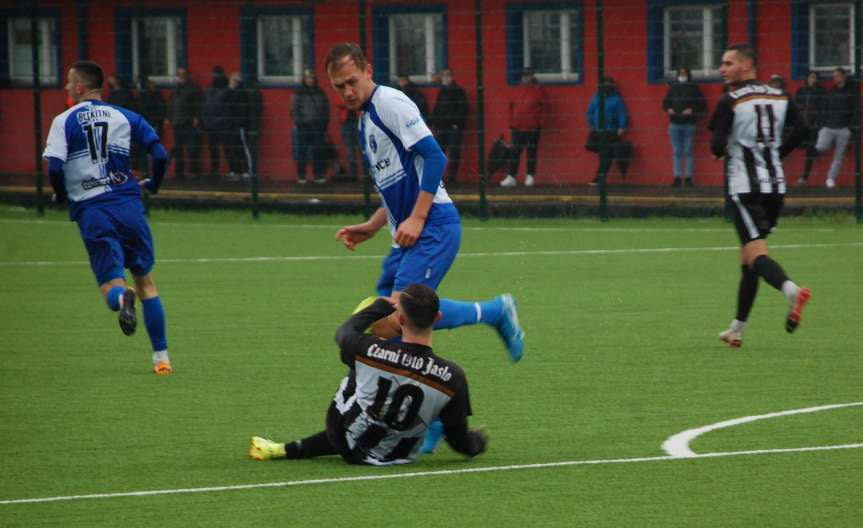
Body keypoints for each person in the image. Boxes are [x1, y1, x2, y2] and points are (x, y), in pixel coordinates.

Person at [324, 42, 524, 451]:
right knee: (389, 325)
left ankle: (494, 314)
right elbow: (396, 184)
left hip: (432, 227)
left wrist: (416, 218)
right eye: (337, 86)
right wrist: (373, 225)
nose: (346, 92)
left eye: (351, 81)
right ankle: (431, 415)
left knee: (398, 317)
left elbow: (435, 159)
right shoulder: (365, 122)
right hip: (407, 235)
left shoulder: (391, 103)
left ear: (367, 69)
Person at [249, 286, 488, 465]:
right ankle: (289, 449)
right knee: (384, 374)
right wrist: (476, 443)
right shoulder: (453, 375)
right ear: (438, 318)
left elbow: (344, 332)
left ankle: (288, 449)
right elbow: (458, 440)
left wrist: (378, 308)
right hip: (397, 457)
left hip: (346, 441)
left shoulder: (371, 350)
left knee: (359, 362)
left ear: (401, 319)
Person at [42, 60, 172, 375]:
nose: (66, 87)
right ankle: (161, 358)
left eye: (68, 82)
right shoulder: (125, 116)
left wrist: (60, 195)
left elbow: (55, 166)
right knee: (146, 281)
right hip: (128, 204)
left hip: (92, 208)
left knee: (110, 285)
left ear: (80, 87)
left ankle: (121, 297)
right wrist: (153, 184)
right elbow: (161, 154)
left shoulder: (64, 120)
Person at [707, 44, 811, 348]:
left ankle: (791, 290)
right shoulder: (780, 95)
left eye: (728, 63)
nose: (722, 69)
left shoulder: (730, 101)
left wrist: (722, 148)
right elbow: (803, 128)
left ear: (747, 66)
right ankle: (737, 328)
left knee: (756, 254)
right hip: (775, 187)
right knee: (749, 258)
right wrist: (778, 152)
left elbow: (715, 145)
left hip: (745, 187)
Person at [804, 67, 856, 188]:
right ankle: (814, 151)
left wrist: (851, 128)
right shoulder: (831, 93)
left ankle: (830, 178)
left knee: (839, 155)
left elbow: (855, 111)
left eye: (837, 75)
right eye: (834, 75)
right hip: (828, 127)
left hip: (844, 128)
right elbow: (823, 110)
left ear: (843, 76)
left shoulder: (851, 92)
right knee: (821, 146)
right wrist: (822, 125)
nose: (835, 78)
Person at [501, 70, 549, 187]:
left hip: (533, 127)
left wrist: (539, 123)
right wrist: (511, 122)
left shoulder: (539, 91)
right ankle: (511, 177)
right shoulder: (517, 90)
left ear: (532, 76)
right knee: (515, 152)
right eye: (524, 76)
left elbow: (546, 108)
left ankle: (530, 176)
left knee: (531, 152)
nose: (525, 78)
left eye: (528, 76)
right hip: (518, 127)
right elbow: (510, 107)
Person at [663, 67, 706, 187]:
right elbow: (665, 103)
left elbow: (702, 104)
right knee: (676, 151)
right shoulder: (673, 88)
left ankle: (688, 178)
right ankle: (677, 177)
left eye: (684, 73)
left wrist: (692, 110)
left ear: (688, 74)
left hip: (689, 123)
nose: (682, 75)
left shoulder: (694, 88)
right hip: (674, 123)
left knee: (688, 151)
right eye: (680, 73)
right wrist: (669, 109)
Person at [586, 76, 629, 185]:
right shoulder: (596, 97)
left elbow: (622, 114)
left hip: (610, 131)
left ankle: (599, 179)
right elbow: (590, 112)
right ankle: (600, 178)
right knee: (604, 153)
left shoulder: (616, 99)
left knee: (604, 155)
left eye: (608, 85)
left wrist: (621, 127)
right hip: (598, 130)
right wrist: (591, 124)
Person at [290, 69, 330, 184]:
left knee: (318, 152)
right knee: (302, 151)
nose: (310, 80)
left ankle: (317, 175)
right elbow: (294, 109)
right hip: (304, 127)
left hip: (318, 127)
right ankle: (301, 176)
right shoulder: (298, 92)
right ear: (304, 79)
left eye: (312, 78)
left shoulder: (320, 92)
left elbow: (326, 109)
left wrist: (324, 123)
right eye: (308, 78)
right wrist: (300, 123)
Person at [430, 69, 469, 184]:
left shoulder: (458, 91)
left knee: (454, 152)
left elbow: (463, 108)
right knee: (439, 152)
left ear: (452, 77)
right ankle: (439, 177)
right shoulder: (442, 91)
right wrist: (433, 122)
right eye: (443, 76)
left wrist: (456, 124)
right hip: (441, 127)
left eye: (448, 76)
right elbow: (437, 108)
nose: (445, 79)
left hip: (453, 127)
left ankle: (452, 178)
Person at [167, 67, 202, 180]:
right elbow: (172, 104)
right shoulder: (176, 88)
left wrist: (196, 117)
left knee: (191, 147)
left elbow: (197, 104)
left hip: (188, 121)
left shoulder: (192, 88)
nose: (181, 77)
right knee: (178, 148)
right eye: (179, 74)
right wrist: (169, 117)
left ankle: (193, 171)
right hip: (177, 122)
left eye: (183, 74)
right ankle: (179, 172)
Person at [794, 71, 826, 186]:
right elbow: (795, 106)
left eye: (815, 77)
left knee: (810, 149)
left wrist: (818, 121)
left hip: (815, 126)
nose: (813, 79)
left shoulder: (821, 92)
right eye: (811, 77)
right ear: (807, 78)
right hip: (802, 124)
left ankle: (804, 177)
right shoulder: (801, 91)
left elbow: (824, 109)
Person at [200, 66, 232, 179]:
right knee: (213, 148)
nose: (215, 77)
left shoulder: (227, 89)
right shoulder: (209, 89)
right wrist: (204, 119)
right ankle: (215, 170)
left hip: (223, 124)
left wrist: (224, 120)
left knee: (227, 147)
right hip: (210, 123)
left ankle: (232, 170)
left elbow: (229, 108)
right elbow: (204, 106)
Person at [135, 75, 167, 174]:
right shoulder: (145, 97)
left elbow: (159, 111)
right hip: (147, 125)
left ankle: (152, 170)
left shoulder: (152, 97)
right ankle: (147, 171)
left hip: (152, 125)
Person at [225, 72, 251, 181]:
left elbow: (241, 110)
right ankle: (236, 170)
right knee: (234, 148)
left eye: (232, 81)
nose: (230, 83)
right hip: (232, 124)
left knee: (242, 147)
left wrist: (241, 122)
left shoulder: (240, 93)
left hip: (239, 125)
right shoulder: (230, 92)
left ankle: (247, 171)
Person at [337, 101, 360, 182]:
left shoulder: (358, 89)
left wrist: (350, 104)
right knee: (350, 151)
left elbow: (362, 101)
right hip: (346, 122)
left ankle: (368, 176)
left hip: (359, 121)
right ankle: (353, 176)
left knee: (364, 150)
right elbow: (338, 102)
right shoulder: (341, 89)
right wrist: (353, 104)